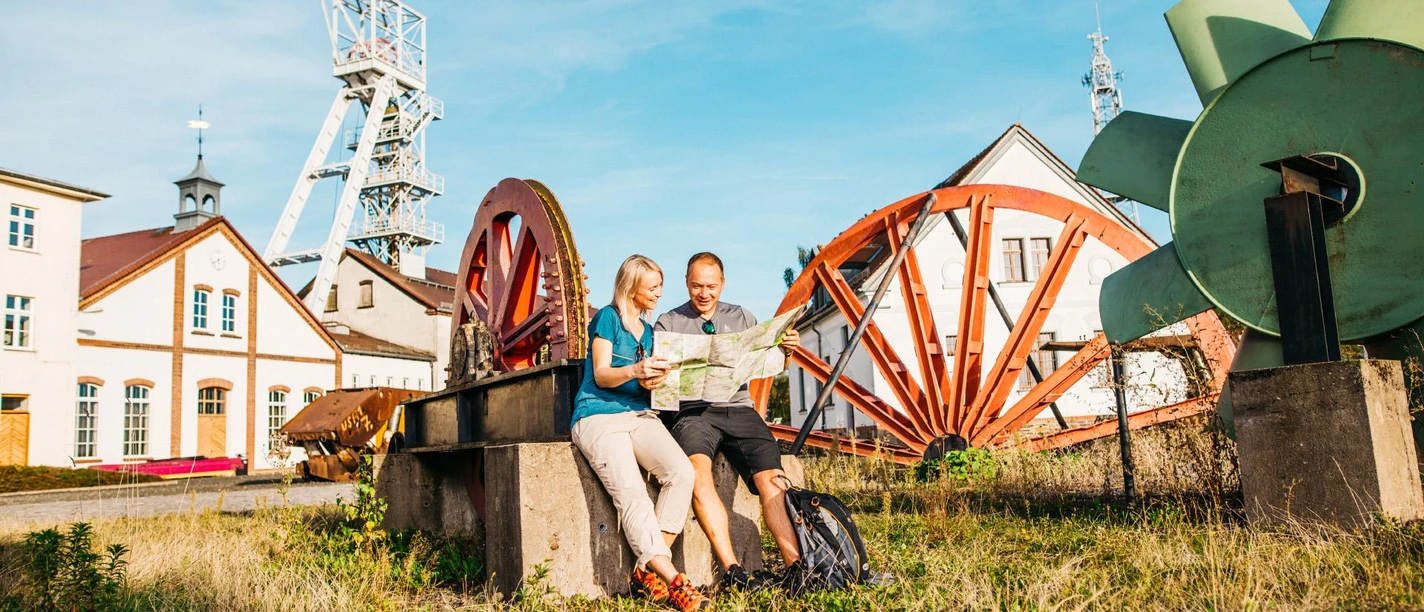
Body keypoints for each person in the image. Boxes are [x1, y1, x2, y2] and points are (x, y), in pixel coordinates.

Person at [650, 252, 806, 592]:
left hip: (738, 407)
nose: (704, 293)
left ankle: (796, 568)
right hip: (692, 412)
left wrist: (788, 351)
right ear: (686, 283)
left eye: (711, 286)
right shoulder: (668, 322)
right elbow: (658, 379)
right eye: (696, 286)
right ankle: (733, 570)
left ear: (722, 284)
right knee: (697, 471)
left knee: (772, 478)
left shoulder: (743, 317)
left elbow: (770, 364)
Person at [571, 255, 711, 612]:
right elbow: (602, 374)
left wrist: (654, 381)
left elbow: (644, 383)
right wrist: (636, 370)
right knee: (633, 495)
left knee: (682, 473)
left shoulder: (648, 332)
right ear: (631, 287)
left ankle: (646, 570)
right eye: (653, 287)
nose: (659, 294)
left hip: (638, 413)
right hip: (598, 415)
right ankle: (675, 581)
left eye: (660, 287)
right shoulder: (608, 318)